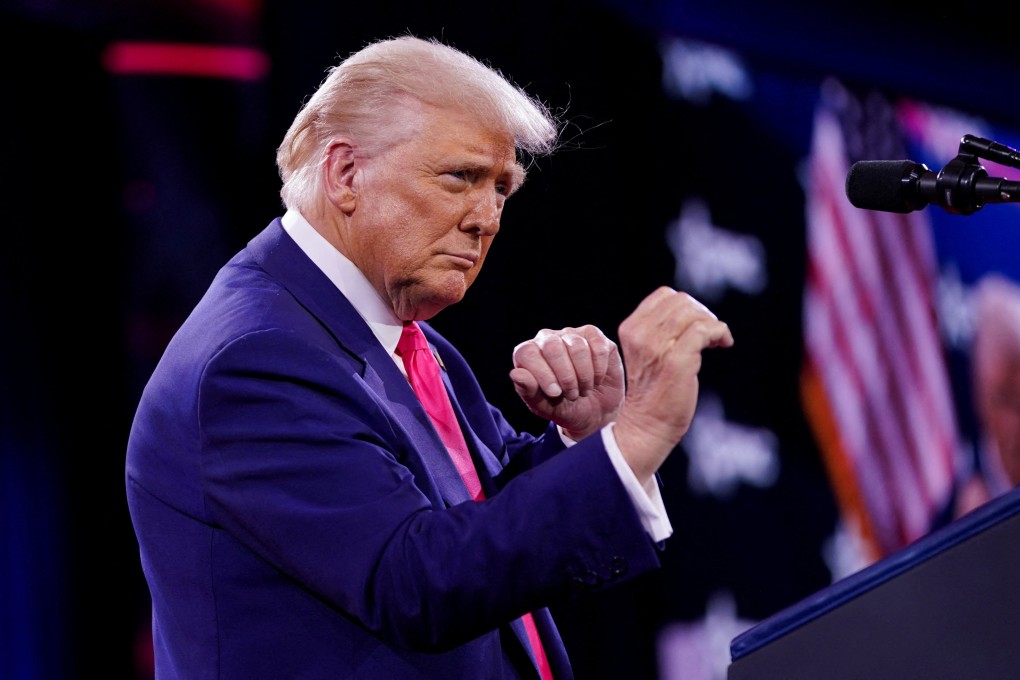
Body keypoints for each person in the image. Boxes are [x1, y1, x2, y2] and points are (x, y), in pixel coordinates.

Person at [125, 34, 733, 679]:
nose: (488, 218)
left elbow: (482, 520)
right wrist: (639, 437)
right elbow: (417, 583)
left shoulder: (401, 338)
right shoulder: (256, 361)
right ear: (345, 174)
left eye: (502, 188)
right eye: (460, 177)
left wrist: (591, 435)